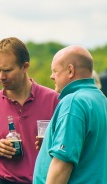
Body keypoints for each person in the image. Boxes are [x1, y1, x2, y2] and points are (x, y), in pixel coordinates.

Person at [0, 37, 59, 183]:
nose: (1, 76)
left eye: (7, 70)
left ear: (25, 67)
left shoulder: (55, 101)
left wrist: (51, 143)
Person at [33, 45, 107, 183]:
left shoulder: (74, 102)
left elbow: (63, 164)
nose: (51, 76)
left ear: (70, 70)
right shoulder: (101, 99)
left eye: (55, 71)